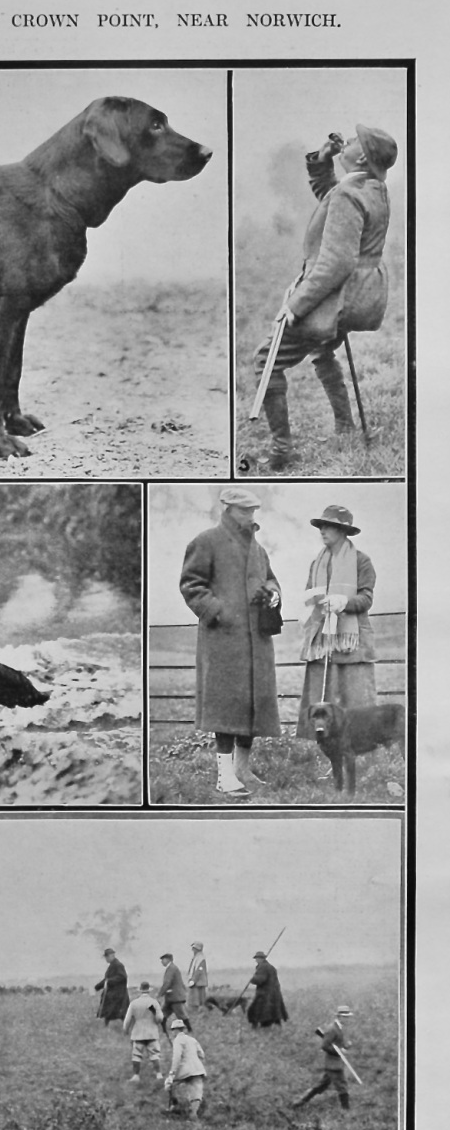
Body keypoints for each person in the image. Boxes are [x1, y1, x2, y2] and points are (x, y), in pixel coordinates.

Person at [252, 125, 398, 471]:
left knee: (264, 362)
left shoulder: (351, 194)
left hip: (339, 298)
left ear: (361, 156)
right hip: (363, 296)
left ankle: (281, 450)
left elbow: (336, 263)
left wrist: (296, 304)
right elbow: (331, 201)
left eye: (350, 141)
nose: (343, 142)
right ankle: (346, 427)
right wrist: (322, 162)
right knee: (322, 349)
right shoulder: (373, 187)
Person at [179, 488, 282, 798]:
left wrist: (274, 593)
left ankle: (242, 769)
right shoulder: (206, 541)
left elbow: (271, 579)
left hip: (257, 641)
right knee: (226, 707)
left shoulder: (258, 550)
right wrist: (218, 611)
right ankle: (224, 776)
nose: (249, 517)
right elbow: (190, 585)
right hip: (223, 640)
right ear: (227, 509)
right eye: (243, 511)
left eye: (252, 512)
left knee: (252, 705)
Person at [296, 505, 378, 736]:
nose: (322, 530)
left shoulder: (361, 561)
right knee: (319, 694)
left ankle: (363, 741)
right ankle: (316, 741)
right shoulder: (317, 563)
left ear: (343, 531)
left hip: (351, 640)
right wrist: (314, 602)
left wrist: (344, 602)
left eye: (328, 526)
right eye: (321, 526)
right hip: (321, 639)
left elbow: (366, 598)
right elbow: (308, 594)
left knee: (356, 696)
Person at [292, 1004, 355, 1111]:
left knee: (321, 1086)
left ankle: (299, 1103)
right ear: (339, 1017)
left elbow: (335, 1043)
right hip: (333, 1064)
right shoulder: (332, 1029)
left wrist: (345, 1046)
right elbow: (325, 1046)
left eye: (348, 1017)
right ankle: (346, 1111)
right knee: (342, 1086)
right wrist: (339, 1051)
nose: (347, 1019)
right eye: (345, 1017)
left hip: (335, 1063)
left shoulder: (339, 1028)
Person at [122, 981, 165, 1084]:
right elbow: (160, 1019)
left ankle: (136, 1075)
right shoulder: (154, 1002)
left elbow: (127, 1020)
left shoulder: (134, 1003)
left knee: (136, 1054)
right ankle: (158, 1073)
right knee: (154, 1054)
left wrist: (126, 1030)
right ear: (149, 990)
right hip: (152, 1032)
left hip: (138, 1032)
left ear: (140, 990)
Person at [164, 1017, 207, 1120]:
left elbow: (177, 1058)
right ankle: (194, 1112)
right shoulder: (192, 1040)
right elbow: (202, 1054)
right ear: (183, 1029)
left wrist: (171, 1074)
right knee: (196, 1091)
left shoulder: (177, 1040)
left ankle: (173, 1105)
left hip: (184, 1070)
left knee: (169, 1085)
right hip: (197, 1069)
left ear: (174, 1030)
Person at [246, 951, 289, 1028]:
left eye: (257, 958)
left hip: (265, 994)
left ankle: (259, 1027)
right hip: (274, 993)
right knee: (274, 1010)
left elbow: (260, 979)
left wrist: (252, 979)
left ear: (261, 959)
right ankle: (276, 1027)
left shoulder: (263, 967)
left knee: (256, 1010)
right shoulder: (270, 967)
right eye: (256, 958)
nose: (256, 960)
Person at [95, 947, 130, 1026]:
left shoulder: (118, 965)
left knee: (120, 1012)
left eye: (107, 957)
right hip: (113, 994)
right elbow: (106, 979)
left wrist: (110, 981)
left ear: (111, 956)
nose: (106, 959)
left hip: (118, 994)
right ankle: (106, 1026)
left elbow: (122, 977)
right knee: (109, 1011)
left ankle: (126, 1028)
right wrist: (97, 987)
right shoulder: (112, 965)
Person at [156, 952, 190, 1032]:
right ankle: (164, 1031)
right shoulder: (173, 968)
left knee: (181, 1015)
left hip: (175, 997)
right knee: (163, 1015)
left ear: (168, 960)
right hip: (172, 997)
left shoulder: (171, 969)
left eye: (163, 960)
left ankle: (190, 1030)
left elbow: (167, 983)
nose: (161, 962)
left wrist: (160, 994)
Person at [186, 941, 208, 1011]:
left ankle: (198, 1011)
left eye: (194, 948)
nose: (193, 950)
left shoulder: (200, 958)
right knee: (194, 999)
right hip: (197, 982)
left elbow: (199, 971)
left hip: (199, 982)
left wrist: (193, 980)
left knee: (197, 999)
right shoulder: (196, 957)